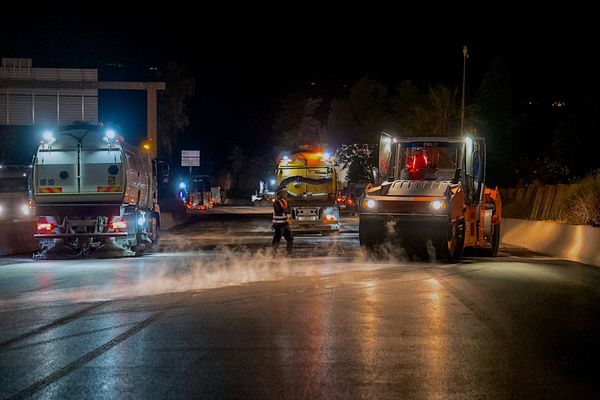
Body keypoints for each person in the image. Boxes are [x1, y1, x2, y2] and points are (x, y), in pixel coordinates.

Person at [272, 187, 293, 255]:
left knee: (290, 238)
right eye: (284, 192)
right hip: (278, 225)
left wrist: (285, 211)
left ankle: (289, 252)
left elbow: (289, 211)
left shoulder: (285, 201)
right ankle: (274, 252)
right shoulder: (276, 202)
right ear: (279, 193)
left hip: (285, 224)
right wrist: (285, 211)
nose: (285, 193)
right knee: (277, 240)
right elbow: (279, 212)